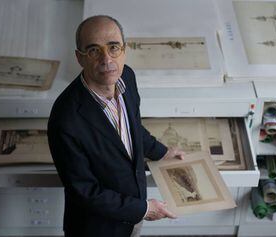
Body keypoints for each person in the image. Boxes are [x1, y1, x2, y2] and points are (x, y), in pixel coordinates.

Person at [47, 15, 185, 237]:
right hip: (97, 227)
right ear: (79, 58)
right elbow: (86, 192)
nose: (106, 59)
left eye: (113, 47)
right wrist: (144, 209)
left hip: (133, 214)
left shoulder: (126, 77)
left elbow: (132, 128)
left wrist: (163, 152)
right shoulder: (65, 119)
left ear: (124, 50)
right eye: (93, 50)